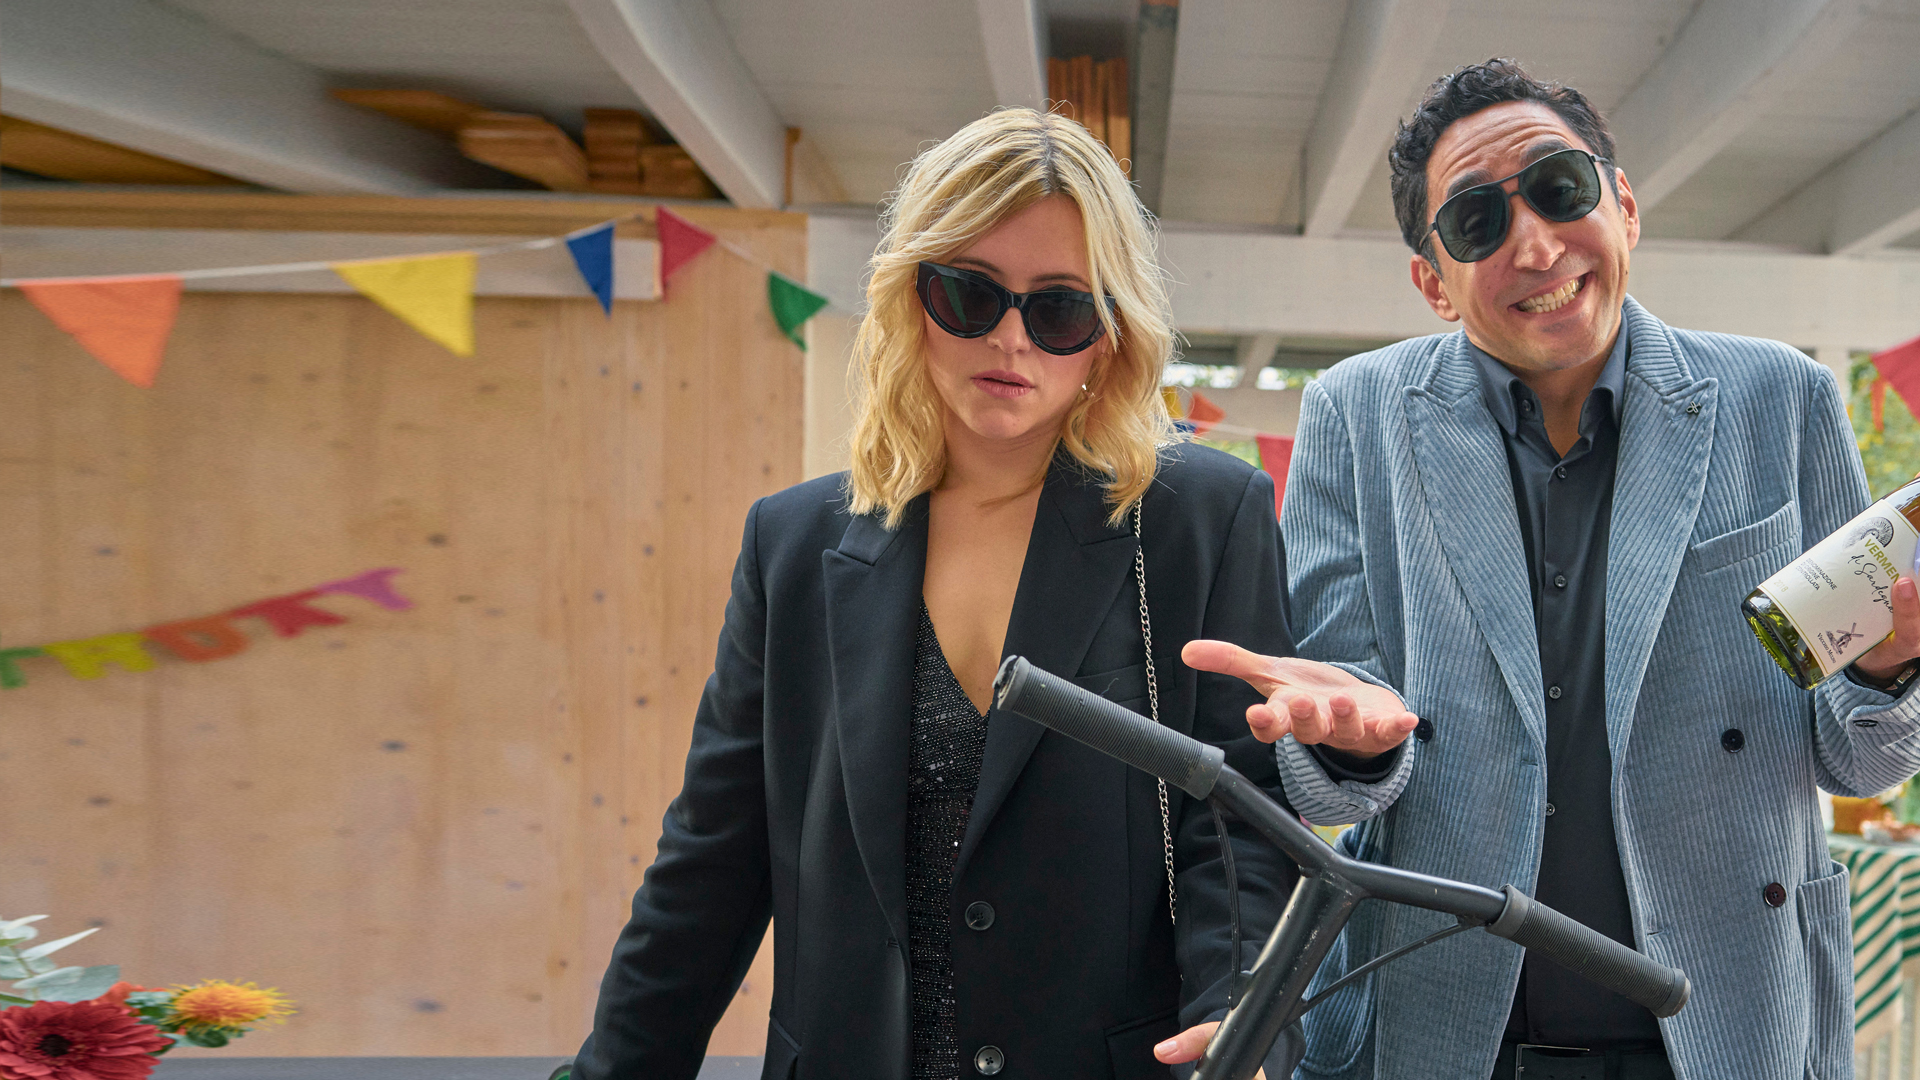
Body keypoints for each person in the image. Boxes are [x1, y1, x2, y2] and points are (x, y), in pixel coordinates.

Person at [567, 108, 1415, 1080]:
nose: (1011, 339)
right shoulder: (792, 545)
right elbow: (711, 865)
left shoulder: (1198, 518)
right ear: (911, 297)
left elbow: (1237, 826)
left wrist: (1240, 1027)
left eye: (1058, 311)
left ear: (1109, 334)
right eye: (969, 294)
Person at [1169, 60, 1920, 1080]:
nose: (1534, 244)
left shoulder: (1781, 399)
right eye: (1477, 221)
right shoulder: (1355, 415)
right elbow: (1339, 745)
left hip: (1735, 1016)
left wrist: (1887, 669)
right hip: (1447, 1021)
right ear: (1433, 283)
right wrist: (1349, 745)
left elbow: (1858, 760)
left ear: (1625, 206)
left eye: (1560, 189)